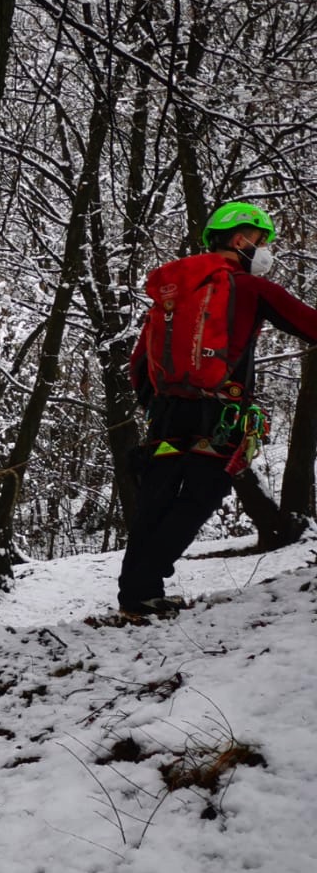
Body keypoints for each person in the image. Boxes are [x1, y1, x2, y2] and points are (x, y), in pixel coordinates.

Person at [120, 201, 317, 616]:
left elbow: (139, 363)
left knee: (156, 498)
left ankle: (136, 593)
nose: (265, 250)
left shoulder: (172, 295)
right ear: (241, 239)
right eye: (262, 241)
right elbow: (308, 324)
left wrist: (159, 404)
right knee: (202, 493)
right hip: (219, 417)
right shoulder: (249, 288)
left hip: (166, 415)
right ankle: (148, 580)